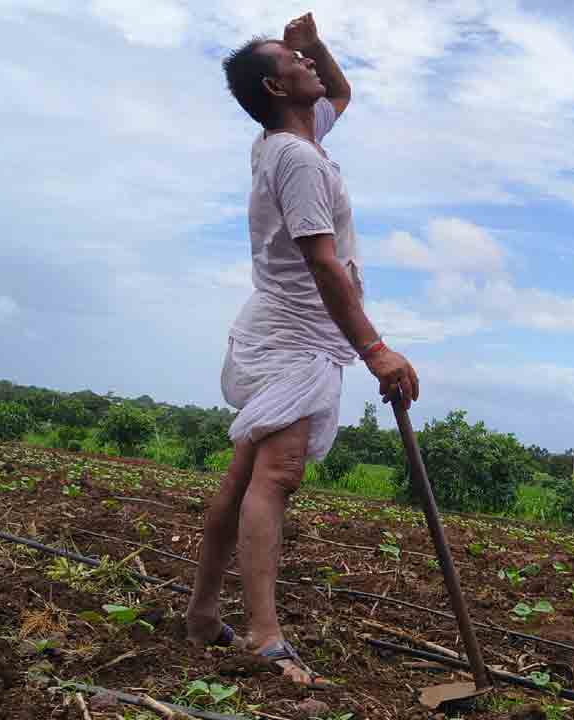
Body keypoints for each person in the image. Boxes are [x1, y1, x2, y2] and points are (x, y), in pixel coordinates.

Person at [185, 13, 419, 688]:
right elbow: (325, 266)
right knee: (277, 475)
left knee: (242, 477)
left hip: (285, 327)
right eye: (295, 60)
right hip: (295, 335)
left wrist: (314, 45)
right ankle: (265, 637)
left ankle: (203, 614)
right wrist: (376, 350)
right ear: (274, 85)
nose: (310, 65)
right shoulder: (297, 159)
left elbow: (341, 93)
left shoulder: (289, 137)